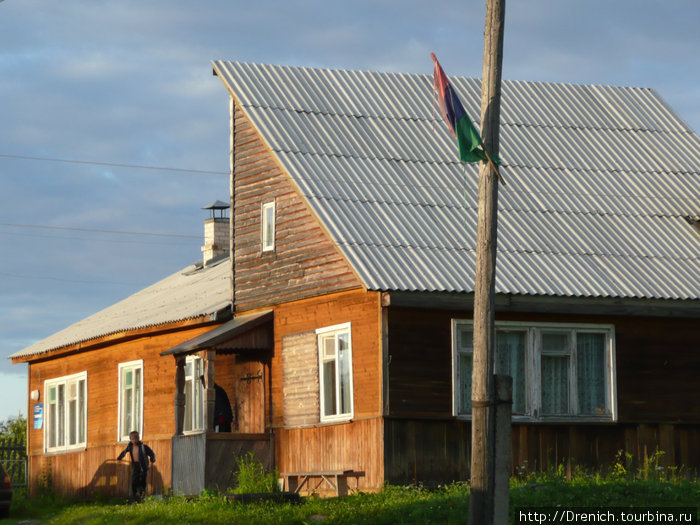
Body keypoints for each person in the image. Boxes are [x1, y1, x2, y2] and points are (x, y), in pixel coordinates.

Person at [117, 431, 156, 502]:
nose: (134, 440)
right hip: (135, 466)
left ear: (138, 438)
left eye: (136, 438)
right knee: (134, 481)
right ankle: (136, 497)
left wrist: (151, 462)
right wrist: (119, 458)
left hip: (143, 465)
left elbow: (152, 454)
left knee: (142, 481)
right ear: (130, 439)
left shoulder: (143, 447)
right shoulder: (130, 447)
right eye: (133, 439)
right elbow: (124, 452)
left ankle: (142, 496)